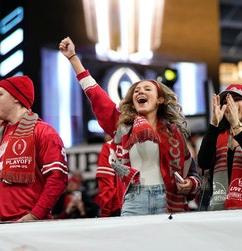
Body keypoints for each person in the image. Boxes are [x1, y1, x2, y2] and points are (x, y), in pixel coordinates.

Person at [59, 37, 201, 216]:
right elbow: (95, 94)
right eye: (136, 91)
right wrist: (73, 58)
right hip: (134, 200)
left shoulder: (173, 133)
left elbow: (193, 173)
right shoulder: (122, 125)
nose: (140, 91)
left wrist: (189, 185)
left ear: (160, 100)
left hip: (168, 200)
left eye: (147, 89)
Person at [0, 75, 68, 223]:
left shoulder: (44, 132)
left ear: (16, 97)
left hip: (26, 227)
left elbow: (57, 178)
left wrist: (35, 215)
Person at [95, 138, 125, 217]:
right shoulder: (149, 138)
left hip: (119, 207)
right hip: (148, 202)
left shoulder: (110, 147)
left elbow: (107, 186)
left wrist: (105, 213)